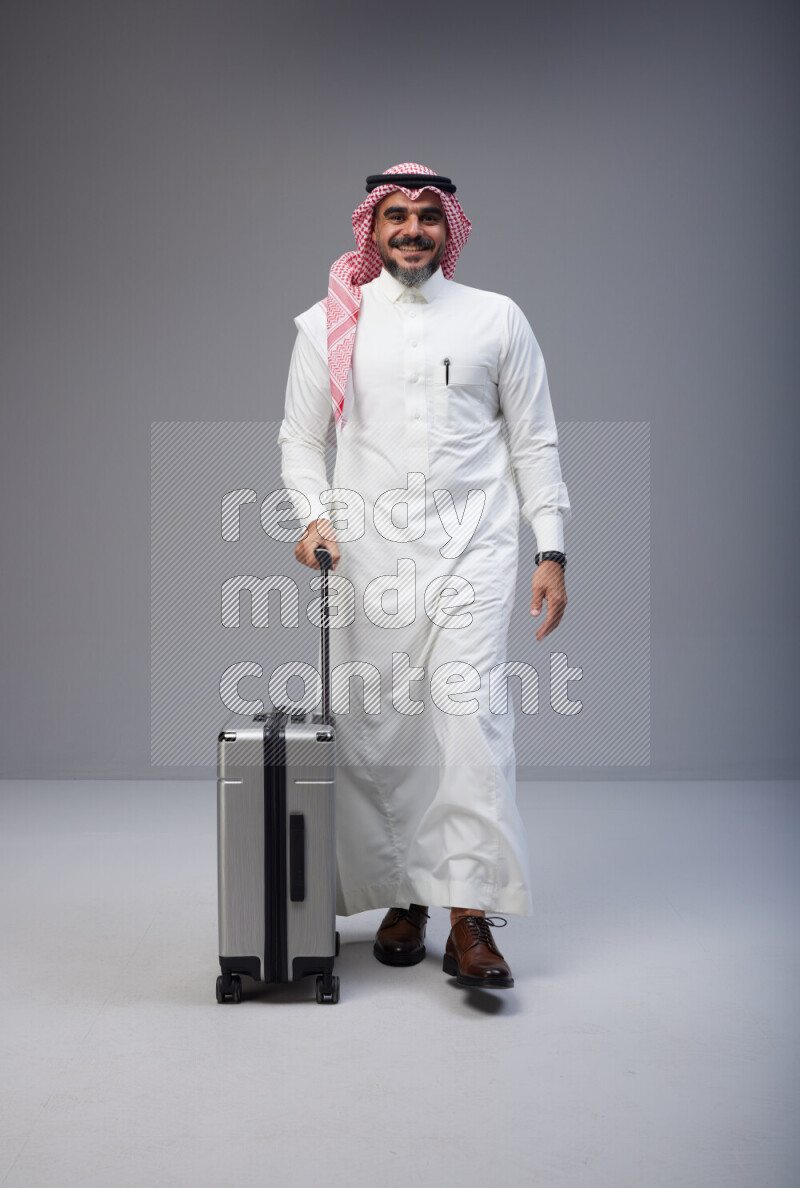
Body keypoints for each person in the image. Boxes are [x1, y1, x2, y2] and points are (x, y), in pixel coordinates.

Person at [278, 162, 571, 990]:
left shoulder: (496, 319)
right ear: (371, 230)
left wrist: (550, 549)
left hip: (474, 552)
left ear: (451, 229)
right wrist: (310, 516)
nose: (412, 229)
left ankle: (471, 915)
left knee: (472, 723)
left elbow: (535, 441)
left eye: (428, 216)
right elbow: (301, 440)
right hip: (368, 558)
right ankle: (407, 897)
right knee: (384, 731)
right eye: (396, 216)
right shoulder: (330, 322)